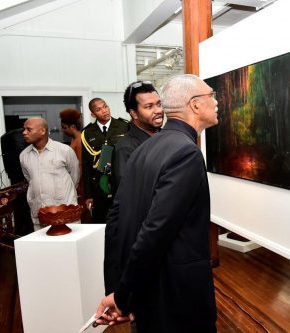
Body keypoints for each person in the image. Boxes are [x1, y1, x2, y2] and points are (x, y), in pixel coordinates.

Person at [95, 74, 218, 332]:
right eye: (211, 95)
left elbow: (117, 220)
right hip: (176, 297)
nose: (216, 102)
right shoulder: (186, 152)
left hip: (150, 293)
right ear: (195, 105)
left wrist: (121, 289)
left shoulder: (144, 148)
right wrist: (122, 296)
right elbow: (155, 231)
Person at [19, 117, 79, 229]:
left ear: (42, 131)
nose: (24, 133)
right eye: (24, 129)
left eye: (29, 129)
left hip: (65, 212)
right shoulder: (24, 155)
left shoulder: (64, 150)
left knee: (67, 245)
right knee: (43, 246)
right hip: (40, 213)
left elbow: (74, 176)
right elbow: (30, 178)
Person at [111, 81, 164, 195]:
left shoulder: (169, 138)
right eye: (149, 106)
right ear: (134, 113)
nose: (158, 110)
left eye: (159, 104)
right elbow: (129, 195)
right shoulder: (126, 149)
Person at [81, 98, 128, 223]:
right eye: (99, 109)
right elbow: (86, 165)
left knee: (124, 219)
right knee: (102, 221)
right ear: (93, 114)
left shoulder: (124, 126)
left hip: (122, 182)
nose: (104, 111)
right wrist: (88, 195)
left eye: (105, 106)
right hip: (100, 185)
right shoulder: (87, 133)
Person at [59, 108, 91, 224]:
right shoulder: (74, 139)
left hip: (81, 183)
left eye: (64, 127)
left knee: (83, 214)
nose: (63, 131)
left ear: (72, 126)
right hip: (76, 181)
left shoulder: (80, 140)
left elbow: (81, 165)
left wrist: (76, 185)